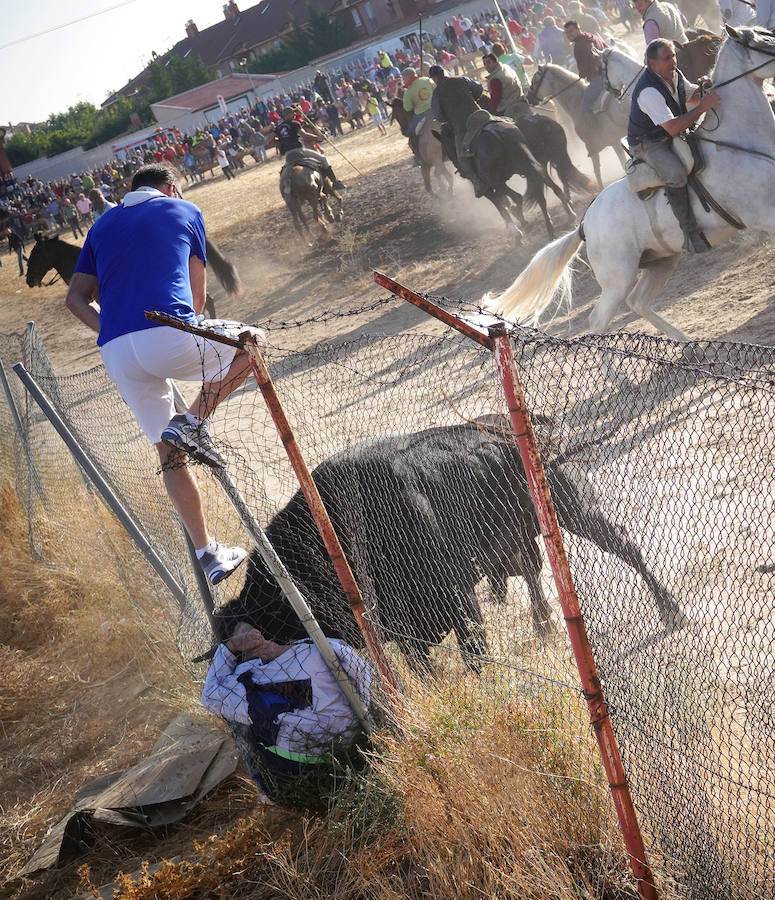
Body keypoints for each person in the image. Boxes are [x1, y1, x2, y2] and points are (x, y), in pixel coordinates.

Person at [64, 163, 255, 584]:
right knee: (253, 344)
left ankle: (208, 554)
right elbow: (198, 295)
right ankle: (192, 421)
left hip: (115, 351)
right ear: (170, 187)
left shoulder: (98, 226)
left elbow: (75, 300)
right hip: (166, 330)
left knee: (168, 456)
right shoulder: (184, 208)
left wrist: (112, 330)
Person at [201, 621, 372, 803]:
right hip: (356, 744)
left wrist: (232, 646)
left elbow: (209, 696)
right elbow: (363, 676)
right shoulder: (321, 648)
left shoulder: (248, 680)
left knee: (244, 726)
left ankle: (268, 795)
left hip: (299, 769)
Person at [627, 39, 720, 253]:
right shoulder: (648, 91)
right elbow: (672, 127)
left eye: (673, 56)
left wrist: (705, 88)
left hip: (666, 133)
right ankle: (690, 233)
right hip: (648, 143)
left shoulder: (674, 74)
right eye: (667, 58)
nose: (673, 61)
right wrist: (703, 106)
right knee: (676, 173)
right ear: (653, 64)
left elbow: (693, 97)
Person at [428, 65, 487, 196]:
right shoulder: (461, 79)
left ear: (434, 79)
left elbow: (439, 116)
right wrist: (474, 99)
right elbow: (478, 88)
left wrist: (448, 117)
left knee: (461, 157)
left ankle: (477, 183)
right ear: (444, 72)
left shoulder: (437, 94)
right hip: (480, 116)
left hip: (462, 126)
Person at [267, 107, 346, 189]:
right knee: (323, 159)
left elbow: (268, 141)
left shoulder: (278, 128)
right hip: (299, 151)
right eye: (292, 113)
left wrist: (281, 139)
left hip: (288, 156)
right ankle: (335, 183)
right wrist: (318, 137)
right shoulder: (295, 123)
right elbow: (305, 136)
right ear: (288, 115)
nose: (294, 114)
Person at [564, 21, 608, 117]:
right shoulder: (591, 36)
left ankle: (593, 129)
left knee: (585, 105)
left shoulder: (579, 46)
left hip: (599, 77)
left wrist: (581, 75)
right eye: (567, 33)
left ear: (578, 29)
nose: (569, 35)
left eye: (571, 31)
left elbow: (584, 70)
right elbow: (606, 48)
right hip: (609, 71)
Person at [401, 66, 436, 165]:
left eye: (404, 78)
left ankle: (419, 157)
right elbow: (436, 89)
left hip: (422, 114)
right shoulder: (427, 80)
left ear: (408, 77)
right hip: (437, 109)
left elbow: (408, 108)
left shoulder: (408, 92)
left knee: (411, 133)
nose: (403, 81)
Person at [481, 52, 530, 120]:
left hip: (508, 109)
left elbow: (495, 101)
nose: (486, 66)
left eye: (489, 63)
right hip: (521, 99)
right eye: (484, 64)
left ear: (496, 62)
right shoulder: (506, 67)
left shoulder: (495, 79)